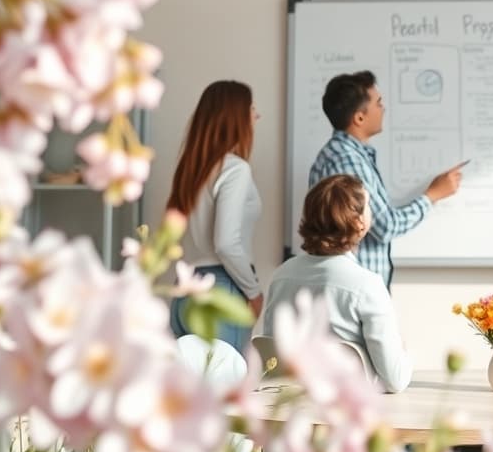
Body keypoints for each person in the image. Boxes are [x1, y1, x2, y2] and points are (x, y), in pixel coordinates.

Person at [308, 70, 463, 288]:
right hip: (355, 290)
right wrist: (432, 195)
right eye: (378, 103)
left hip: (355, 288)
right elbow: (385, 226)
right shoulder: (348, 160)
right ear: (359, 117)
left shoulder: (348, 155)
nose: (383, 108)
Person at [263, 174, 412, 393]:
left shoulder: (280, 276)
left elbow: (272, 358)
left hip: (289, 402)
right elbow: (395, 380)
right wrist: (403, 349)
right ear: (359, 223)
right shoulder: (367, 285)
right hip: (347, 406)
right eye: (368, 205)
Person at [167, 80, 263, 352]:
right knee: (226, 377)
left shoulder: (190, 170)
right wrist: (254, 292)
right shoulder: (235, 169)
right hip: (220, 292)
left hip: (184, 292)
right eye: (251, 108)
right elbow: (226, 243)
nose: (257, 115)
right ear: (235, 116)